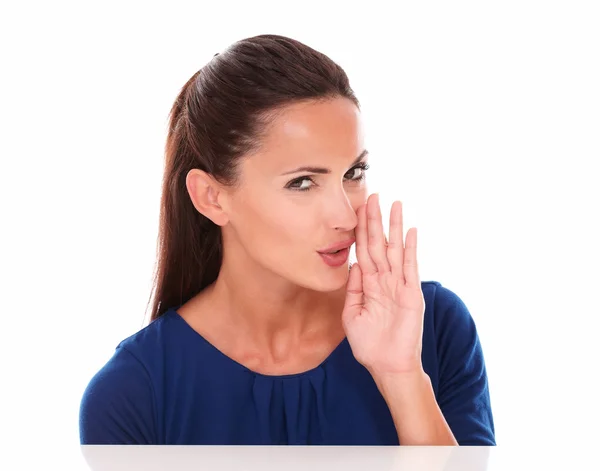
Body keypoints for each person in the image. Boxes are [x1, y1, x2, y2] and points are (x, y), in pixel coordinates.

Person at [78, 34, 495, 446]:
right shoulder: (133, 397)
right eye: (302, 182)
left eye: (353, 174)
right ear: (211, 197)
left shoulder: (431, 328)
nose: (346, 216)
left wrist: (402, 376)